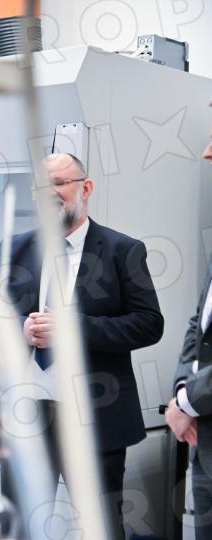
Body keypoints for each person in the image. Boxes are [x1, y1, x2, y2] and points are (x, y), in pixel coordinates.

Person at [0, 153, 164, 536]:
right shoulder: (15, 248)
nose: (50, 193)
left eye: (60, 183)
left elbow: (149, 325)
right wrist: (20, 330)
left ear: (86, 188)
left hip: (94, 416)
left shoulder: (123, 250)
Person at [166, 136, 212, 538]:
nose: (207, 152)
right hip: (203, 437)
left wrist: (184, 403)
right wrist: (181, 387)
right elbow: (200, 323)